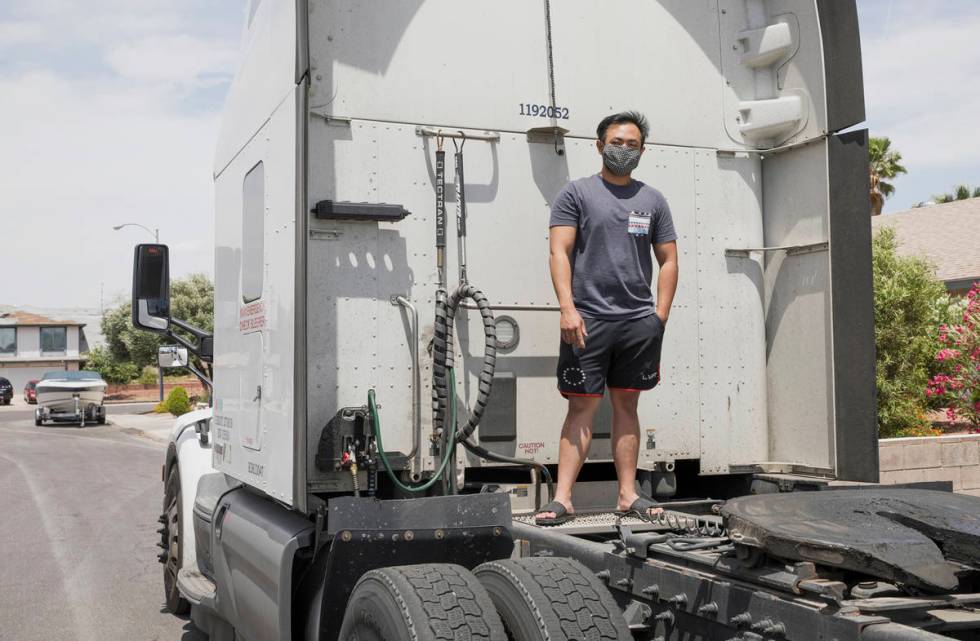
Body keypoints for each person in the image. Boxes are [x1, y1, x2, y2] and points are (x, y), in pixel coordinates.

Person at [536, 111, 679, 526]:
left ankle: (627, 494)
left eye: (632, 144)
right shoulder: (576, 194)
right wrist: (567, 308)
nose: (624, 150)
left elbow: (668, 260)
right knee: (581, 408)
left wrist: (660, 316)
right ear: (600, 146)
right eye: (616, 142)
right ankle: (562, 499)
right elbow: (558, 252)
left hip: (638, 322)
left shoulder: (653, 201)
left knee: (627, 406)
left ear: (642, 151)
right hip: (588, 321)